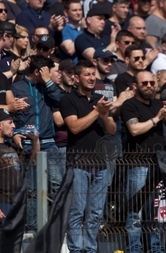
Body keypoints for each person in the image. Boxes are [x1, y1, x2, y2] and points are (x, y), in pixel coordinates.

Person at [121, 71, 166, 253]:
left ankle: (155, 248)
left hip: (158, 165)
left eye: (151, 83)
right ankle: (134, 248)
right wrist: (157, 118)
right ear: (135, 85)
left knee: (155, 211)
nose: (149, 86)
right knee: (135, 210)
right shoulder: (129, 105)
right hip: (138, 164)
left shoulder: (158, 104)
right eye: (144, 83)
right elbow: (134, 129)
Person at [59, 60, 116, 253]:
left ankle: (90, 249)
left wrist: (105, 115)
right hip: (78, 163)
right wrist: (96, 112)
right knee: (77, 211)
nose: (92, 78)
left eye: (93, 74)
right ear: (76, 78)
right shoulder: (68, 99)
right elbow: (74, 127)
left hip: (100, 163)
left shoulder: (100, 98)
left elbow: (112, 129)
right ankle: (76, 250)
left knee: (95, 212)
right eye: (87, 74)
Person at [10, 55, 62, 233]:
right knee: (31, 188)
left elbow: (60, 100)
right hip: (27, 143)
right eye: (47, 71)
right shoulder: (17, 88)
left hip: (48, 142)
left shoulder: (49, 88)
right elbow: (10, 114)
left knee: (57, 184)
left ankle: (56, 225)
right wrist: (15, 133)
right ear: (37, 71)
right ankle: (32, 228)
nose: (51, 74)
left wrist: (48, 81)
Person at [0, 109, 39, 253]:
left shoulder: (11, 146)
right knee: (0, 245)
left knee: (14, 245)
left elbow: (34, 160)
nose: (13, 126)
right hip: (2, 203)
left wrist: (35, 141)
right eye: (10, 122)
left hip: (17, 203)